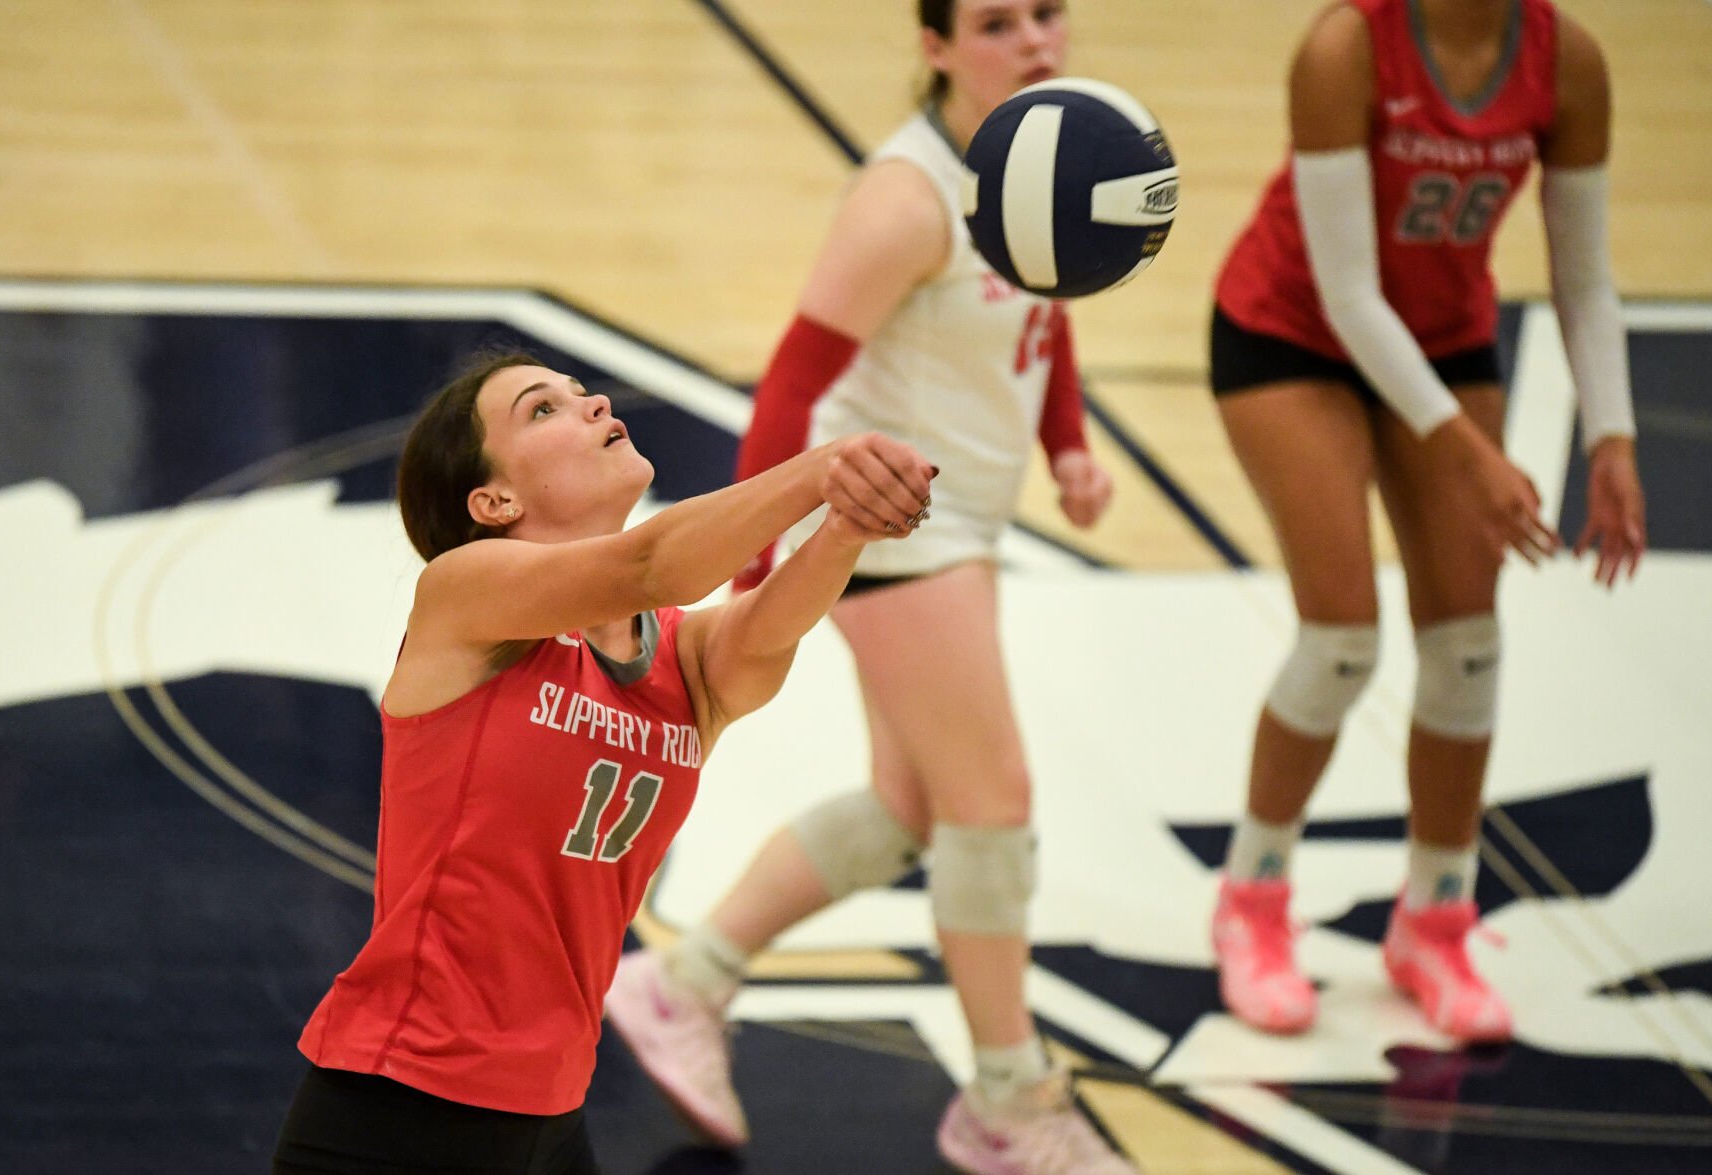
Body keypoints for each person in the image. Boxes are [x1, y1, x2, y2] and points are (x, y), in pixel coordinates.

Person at [602, 3, 1136, 1174]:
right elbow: (794, 378)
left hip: (960, 525)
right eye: (998, 22)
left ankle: (683, 980)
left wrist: (1067, 446)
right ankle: (1004, 1097)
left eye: (1048, 12)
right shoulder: (904, 199)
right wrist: (748, 556)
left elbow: (1045, 302)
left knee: (912, 808)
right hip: (893, 528)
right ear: (935, 46)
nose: (1035, 39)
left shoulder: (1040, 156)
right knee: (989, 802)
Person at [270, 349, 935, 1175]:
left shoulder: (677, 656)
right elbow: (652, 563)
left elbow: (762, 631)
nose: (591, 405)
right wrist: (821, 468)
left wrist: (846, 523)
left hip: (549, 1102)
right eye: (541, 409)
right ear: (494, 499)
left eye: (583, 392)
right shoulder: (466, 594)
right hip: (403, 1104)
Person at [1207, 0, 1647, 1043]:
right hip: (1291, 333)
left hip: (1443, 339)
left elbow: (1582, 277)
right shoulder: (1344, 47)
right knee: (1339, 640)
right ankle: (1252, 900)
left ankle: (1434, 918)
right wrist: (1471, 455)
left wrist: (1613, 440)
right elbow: (1350, 293)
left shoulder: (1566, 61)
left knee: (1465, 646)